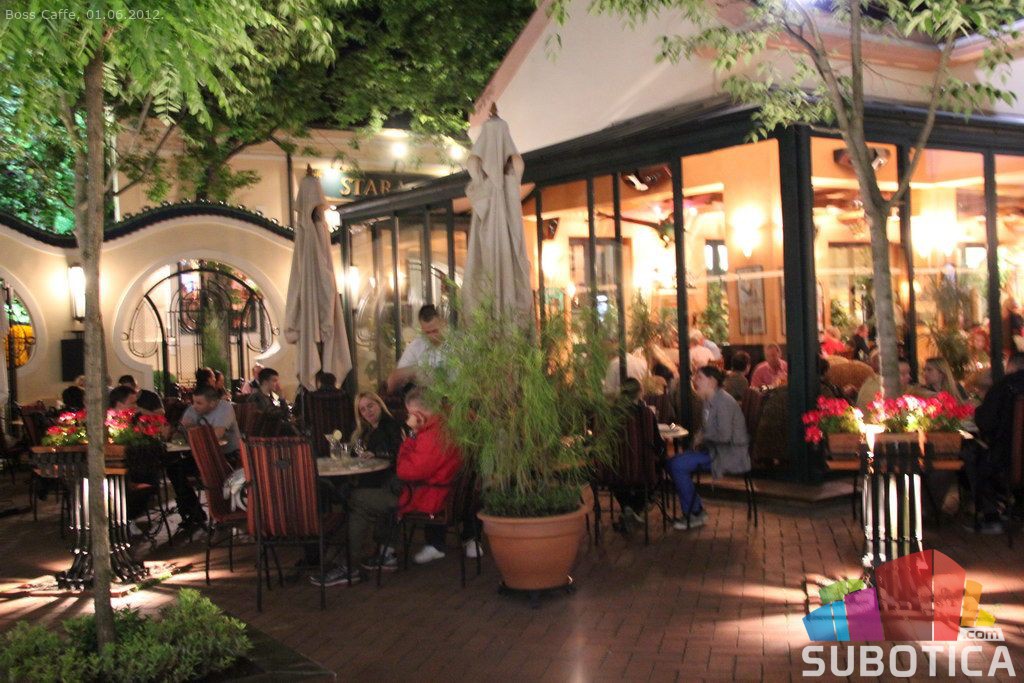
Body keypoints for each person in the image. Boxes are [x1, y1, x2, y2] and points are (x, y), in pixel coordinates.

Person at [313, 388, 462, 586]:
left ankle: (350, 566)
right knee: (378, 491)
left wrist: (410, 440)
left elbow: (405, 471)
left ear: (418, 414)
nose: (408, 418)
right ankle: (383, 554)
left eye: (409, 414)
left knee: (357, 499)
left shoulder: (432, 436)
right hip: (426, 491)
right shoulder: (442, 428)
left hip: (423, 498)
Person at [666, 366, 749, 530]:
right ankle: (695, 510)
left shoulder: (723, 402)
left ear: (711, 381)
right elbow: (706, 428)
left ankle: (695, 512)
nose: (694, 380)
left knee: (676, 464)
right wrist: (699, 438)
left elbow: (724, 436)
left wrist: (702, 439)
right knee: (673, 462)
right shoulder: (709, 400)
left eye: (699, 378)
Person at [970, 352, 1024, 533]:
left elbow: (986, 422)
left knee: (973, 455)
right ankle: (1017, 509)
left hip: (1007, 463)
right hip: (1011, 462)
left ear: (1012, 366)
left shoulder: (1003, 387)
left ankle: (992, 517)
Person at [610, 378, 665, 534]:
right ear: (640, 393)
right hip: (643, 470)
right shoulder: (646, 414)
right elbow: (658, 443)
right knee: (657, 469)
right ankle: (635, 510)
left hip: (616, 472)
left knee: (620, 476)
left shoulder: (611, 415)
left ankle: (627, 509)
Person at [387, 305, 446, 394]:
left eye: (435, 331)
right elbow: (396, 376)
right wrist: (413, 371)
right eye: (428, 332)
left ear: (442, 323)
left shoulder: (456, 344)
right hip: (425, 396)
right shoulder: (416, 346)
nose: (432, 336)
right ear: (422, 329)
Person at [180, 384, 242, 463]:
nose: (194, 406)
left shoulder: (224, 408)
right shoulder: (193, 409)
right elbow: (181, 432)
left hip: (227, 455)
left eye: (199, 403)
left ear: (212, 403)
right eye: (193, 402)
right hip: (202, 454)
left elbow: (216, 436)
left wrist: (193, 429)